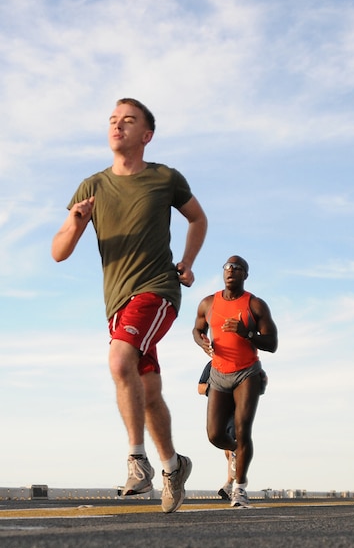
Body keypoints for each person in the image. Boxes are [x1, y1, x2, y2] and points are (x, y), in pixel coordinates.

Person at [52, 98, 208, 513]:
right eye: (112, 121)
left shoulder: (165, 179)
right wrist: (77, 221)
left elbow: (198, 219)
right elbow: (58, 251)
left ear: (146, 135)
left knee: (120, 362)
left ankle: (137, 461)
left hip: (157, 290)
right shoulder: (92, 187)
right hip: (117, 301)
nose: (117, 126)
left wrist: (187, 263)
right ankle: (174, 465)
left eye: (128, 121)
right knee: (149, 392)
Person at [193, 256, 278, 508]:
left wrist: (247, 332)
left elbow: (272, 343)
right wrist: (202, 342)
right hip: (219, 373)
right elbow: (197, 330)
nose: (231, 271)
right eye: (227, 267)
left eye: (237, 268)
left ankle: (239, 489)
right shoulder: (209, 303)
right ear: (223, 274)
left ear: (245, 275)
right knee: (214, 434)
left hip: (247, 373)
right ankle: (236, 452)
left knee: (243, 428)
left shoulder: (255, 304)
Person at [198, 360, 268, 500]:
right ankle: (232, 481)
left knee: (236, 439)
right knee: (226, 445)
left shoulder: (247, 361)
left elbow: (261, 382)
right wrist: (216, 389)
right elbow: (200, 388)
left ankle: (234, 485)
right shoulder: (212, 365)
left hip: (238, 407)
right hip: (220, 408)